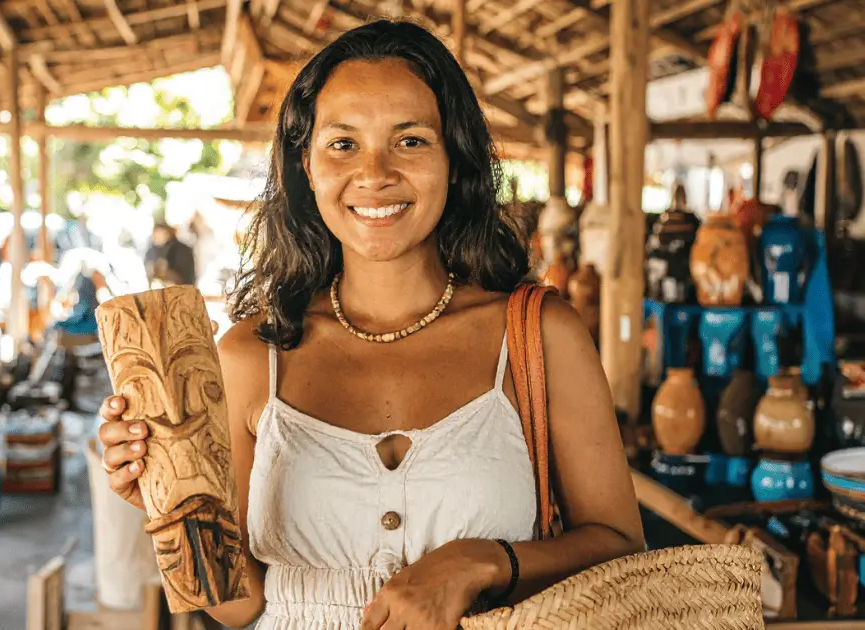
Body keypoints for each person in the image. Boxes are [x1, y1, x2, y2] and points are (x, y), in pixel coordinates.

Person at [99, 20, 643, 630]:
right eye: (343, 144)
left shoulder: (538, 336)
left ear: (454, 160)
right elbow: (239, 605)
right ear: (306, 166)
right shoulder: (251, 355)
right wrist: (169, 502)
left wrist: (484, 562)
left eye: (410, 140)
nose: (375, 173)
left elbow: (621, 547)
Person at [144, 222, 197, 287]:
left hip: (181, 287)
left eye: (160, 233)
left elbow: (184, 275)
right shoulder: (151, 250)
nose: (158, 237)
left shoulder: (181, 250)